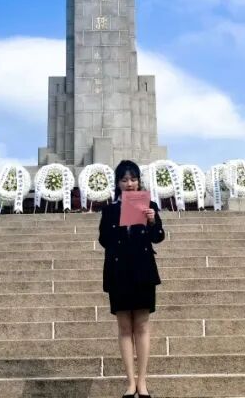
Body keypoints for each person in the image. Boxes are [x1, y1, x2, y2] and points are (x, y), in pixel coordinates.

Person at [98, 159, 164, 398]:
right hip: (119, 272)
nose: (129, 183)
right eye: (124, 180)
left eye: (133, 179)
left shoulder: (150, 205)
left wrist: (152, 220)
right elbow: (103, 240)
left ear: (139, 181)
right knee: (124, 327)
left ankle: (143, 381)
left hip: (143, 270)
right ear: (118, 183)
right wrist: (120, 221)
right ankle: (130, 382)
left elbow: (158, 237)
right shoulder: (109, 210)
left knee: (142, 326)